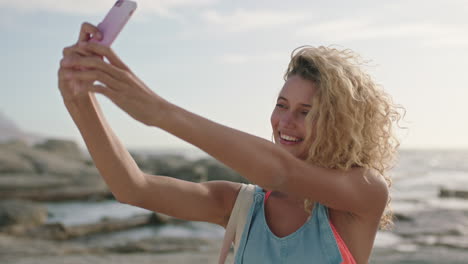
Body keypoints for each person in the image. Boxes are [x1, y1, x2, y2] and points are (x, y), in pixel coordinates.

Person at [58, 22, 403, 264]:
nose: (285, 122)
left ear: (337, 124)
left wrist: (157, 111)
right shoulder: (243, 206)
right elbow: (133, 189)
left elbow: (278, 172)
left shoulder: (363, 194)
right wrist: (78, 100)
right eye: (281, 105)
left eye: (305, 112)